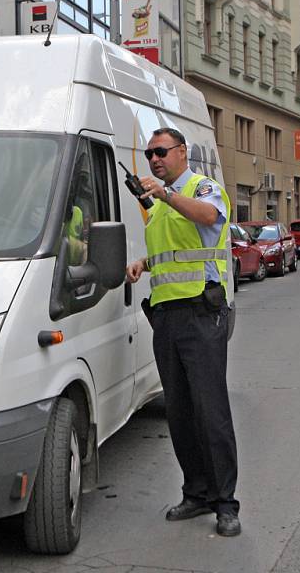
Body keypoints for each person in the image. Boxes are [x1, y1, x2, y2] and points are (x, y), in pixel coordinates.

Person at [125, 127, 241, 537]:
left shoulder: (200, 187)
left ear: (181, 152)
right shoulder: (158, 205)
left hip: (201, 313)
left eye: (161, 152)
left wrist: (165, 193)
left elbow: (209, 218)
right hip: (167, 317)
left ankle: (225, 504)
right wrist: (145, 262)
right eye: (150, 153)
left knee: (211, 411)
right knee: (180, 411)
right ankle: (196, 493)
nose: (154, 159)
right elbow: (175, 252)